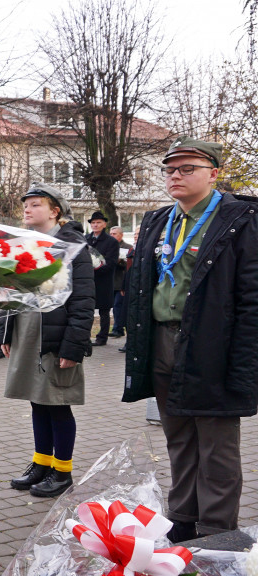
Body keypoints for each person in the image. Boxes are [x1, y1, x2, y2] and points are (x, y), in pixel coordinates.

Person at [123, 137, 258, 543]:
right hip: (161, 342)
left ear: (214, 173)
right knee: (178, 436)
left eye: (187, 168)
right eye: (170, 169)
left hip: (212, 345)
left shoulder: (241, 219)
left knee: (216, 444)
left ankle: (217, 529)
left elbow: (252, 297)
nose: (175, 176)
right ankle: (183, 516)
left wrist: (244, 365)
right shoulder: (158, 219)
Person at [0, 184, 94, 499]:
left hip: (54, 336)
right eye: (25, 204)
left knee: (57, 403)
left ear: (55, 211)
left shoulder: (74, 247)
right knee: (36, 400)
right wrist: (4, 332)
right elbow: (10, 292)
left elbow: (83, 302)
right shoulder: (26, 244)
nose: (27, 208)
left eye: (36, 204)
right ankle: (41, 464)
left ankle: (62, 471)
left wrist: (73, 346)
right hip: (27, 331)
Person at [84, 211, 119, 346]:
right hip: (88, 280)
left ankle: (102, 337)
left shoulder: (111, 242)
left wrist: (96, 267)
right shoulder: (85, 238)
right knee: (87, 309)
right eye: (93, 222)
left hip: (103, 280)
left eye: (98, 222)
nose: (95, 225)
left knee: (104, 310)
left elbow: (111, 263)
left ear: (104, 224)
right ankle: (85, 336)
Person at [108, 226, 132, 338]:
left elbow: (129, 265)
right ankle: (116, 327)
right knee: (112, 307)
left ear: (121, 235)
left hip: (121, 281)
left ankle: (118, 328)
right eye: (111, 233)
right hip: (110, 282)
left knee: (118, 306)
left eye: (114, 234)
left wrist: (118, 261)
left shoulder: (127, 247)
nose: (112, 236)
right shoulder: (108, 246)